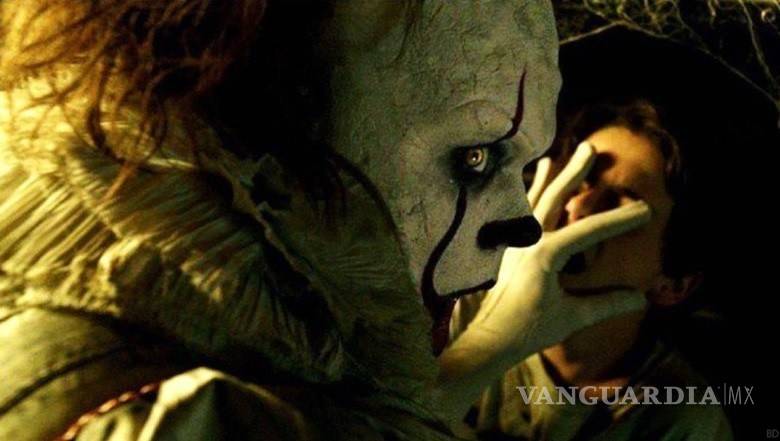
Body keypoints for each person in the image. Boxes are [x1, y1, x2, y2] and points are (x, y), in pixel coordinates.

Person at [0, 1, 649, 440]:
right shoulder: (167, 409)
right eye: (475, 157)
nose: (525, 223)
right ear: (267, 118)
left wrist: (495, 342)